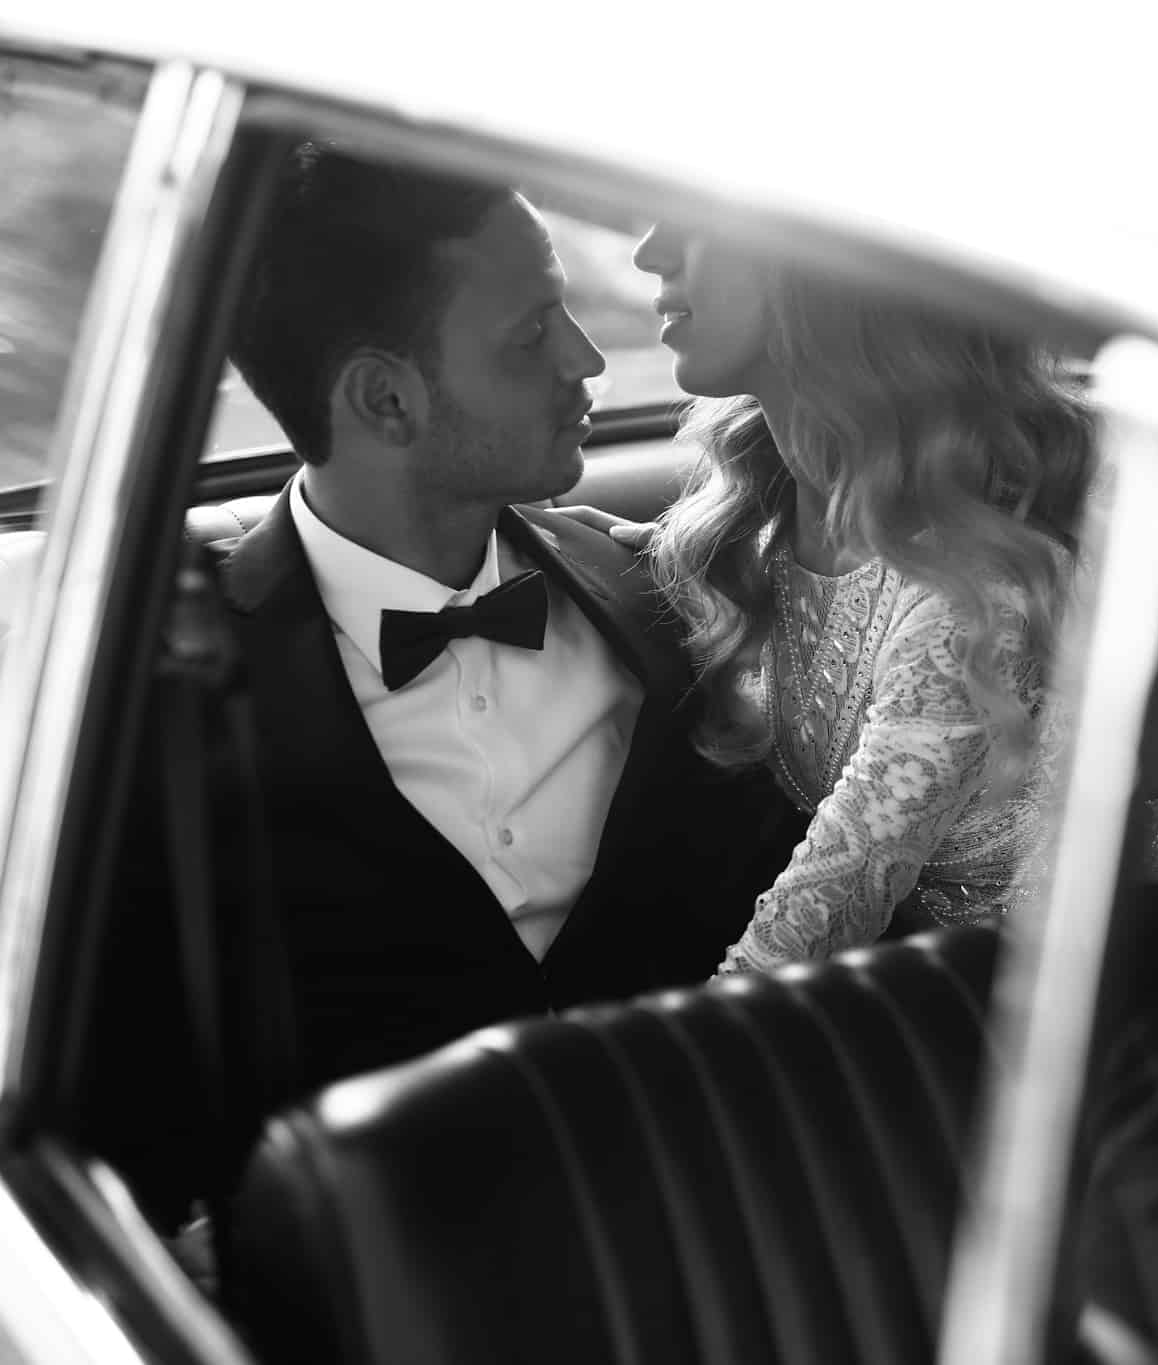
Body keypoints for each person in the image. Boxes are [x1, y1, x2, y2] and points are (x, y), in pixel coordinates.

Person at [83, 147, 806, 1231]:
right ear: (386, 399)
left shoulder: (664, 594)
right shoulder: (160, 710)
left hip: (727, 1221)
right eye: (531, 333)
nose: (586, 361)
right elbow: (121, 1116)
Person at [579, 222, 1158, 976]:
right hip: (971, 980)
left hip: (1143, 970)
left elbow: (819, 913)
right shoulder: (773, 519)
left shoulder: (964, 597)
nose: (649, 253)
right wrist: (620, 553)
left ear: (818, 271)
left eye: (692, 221)